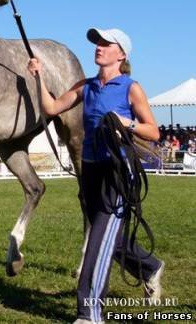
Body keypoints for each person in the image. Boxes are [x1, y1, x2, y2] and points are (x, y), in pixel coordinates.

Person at [28, 27, 164, 324]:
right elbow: (51, 107)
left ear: (122, 54)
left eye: (106, 43)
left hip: (118, 170)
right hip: (90, 170)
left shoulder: (131, 88)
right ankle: (149, 267)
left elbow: (153, 131)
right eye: (97, 43)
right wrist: (38, 76)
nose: (99, 47)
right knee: (110, 241)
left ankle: (89, 313)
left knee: (98, 242)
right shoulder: (86, 85)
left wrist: (125, 124)